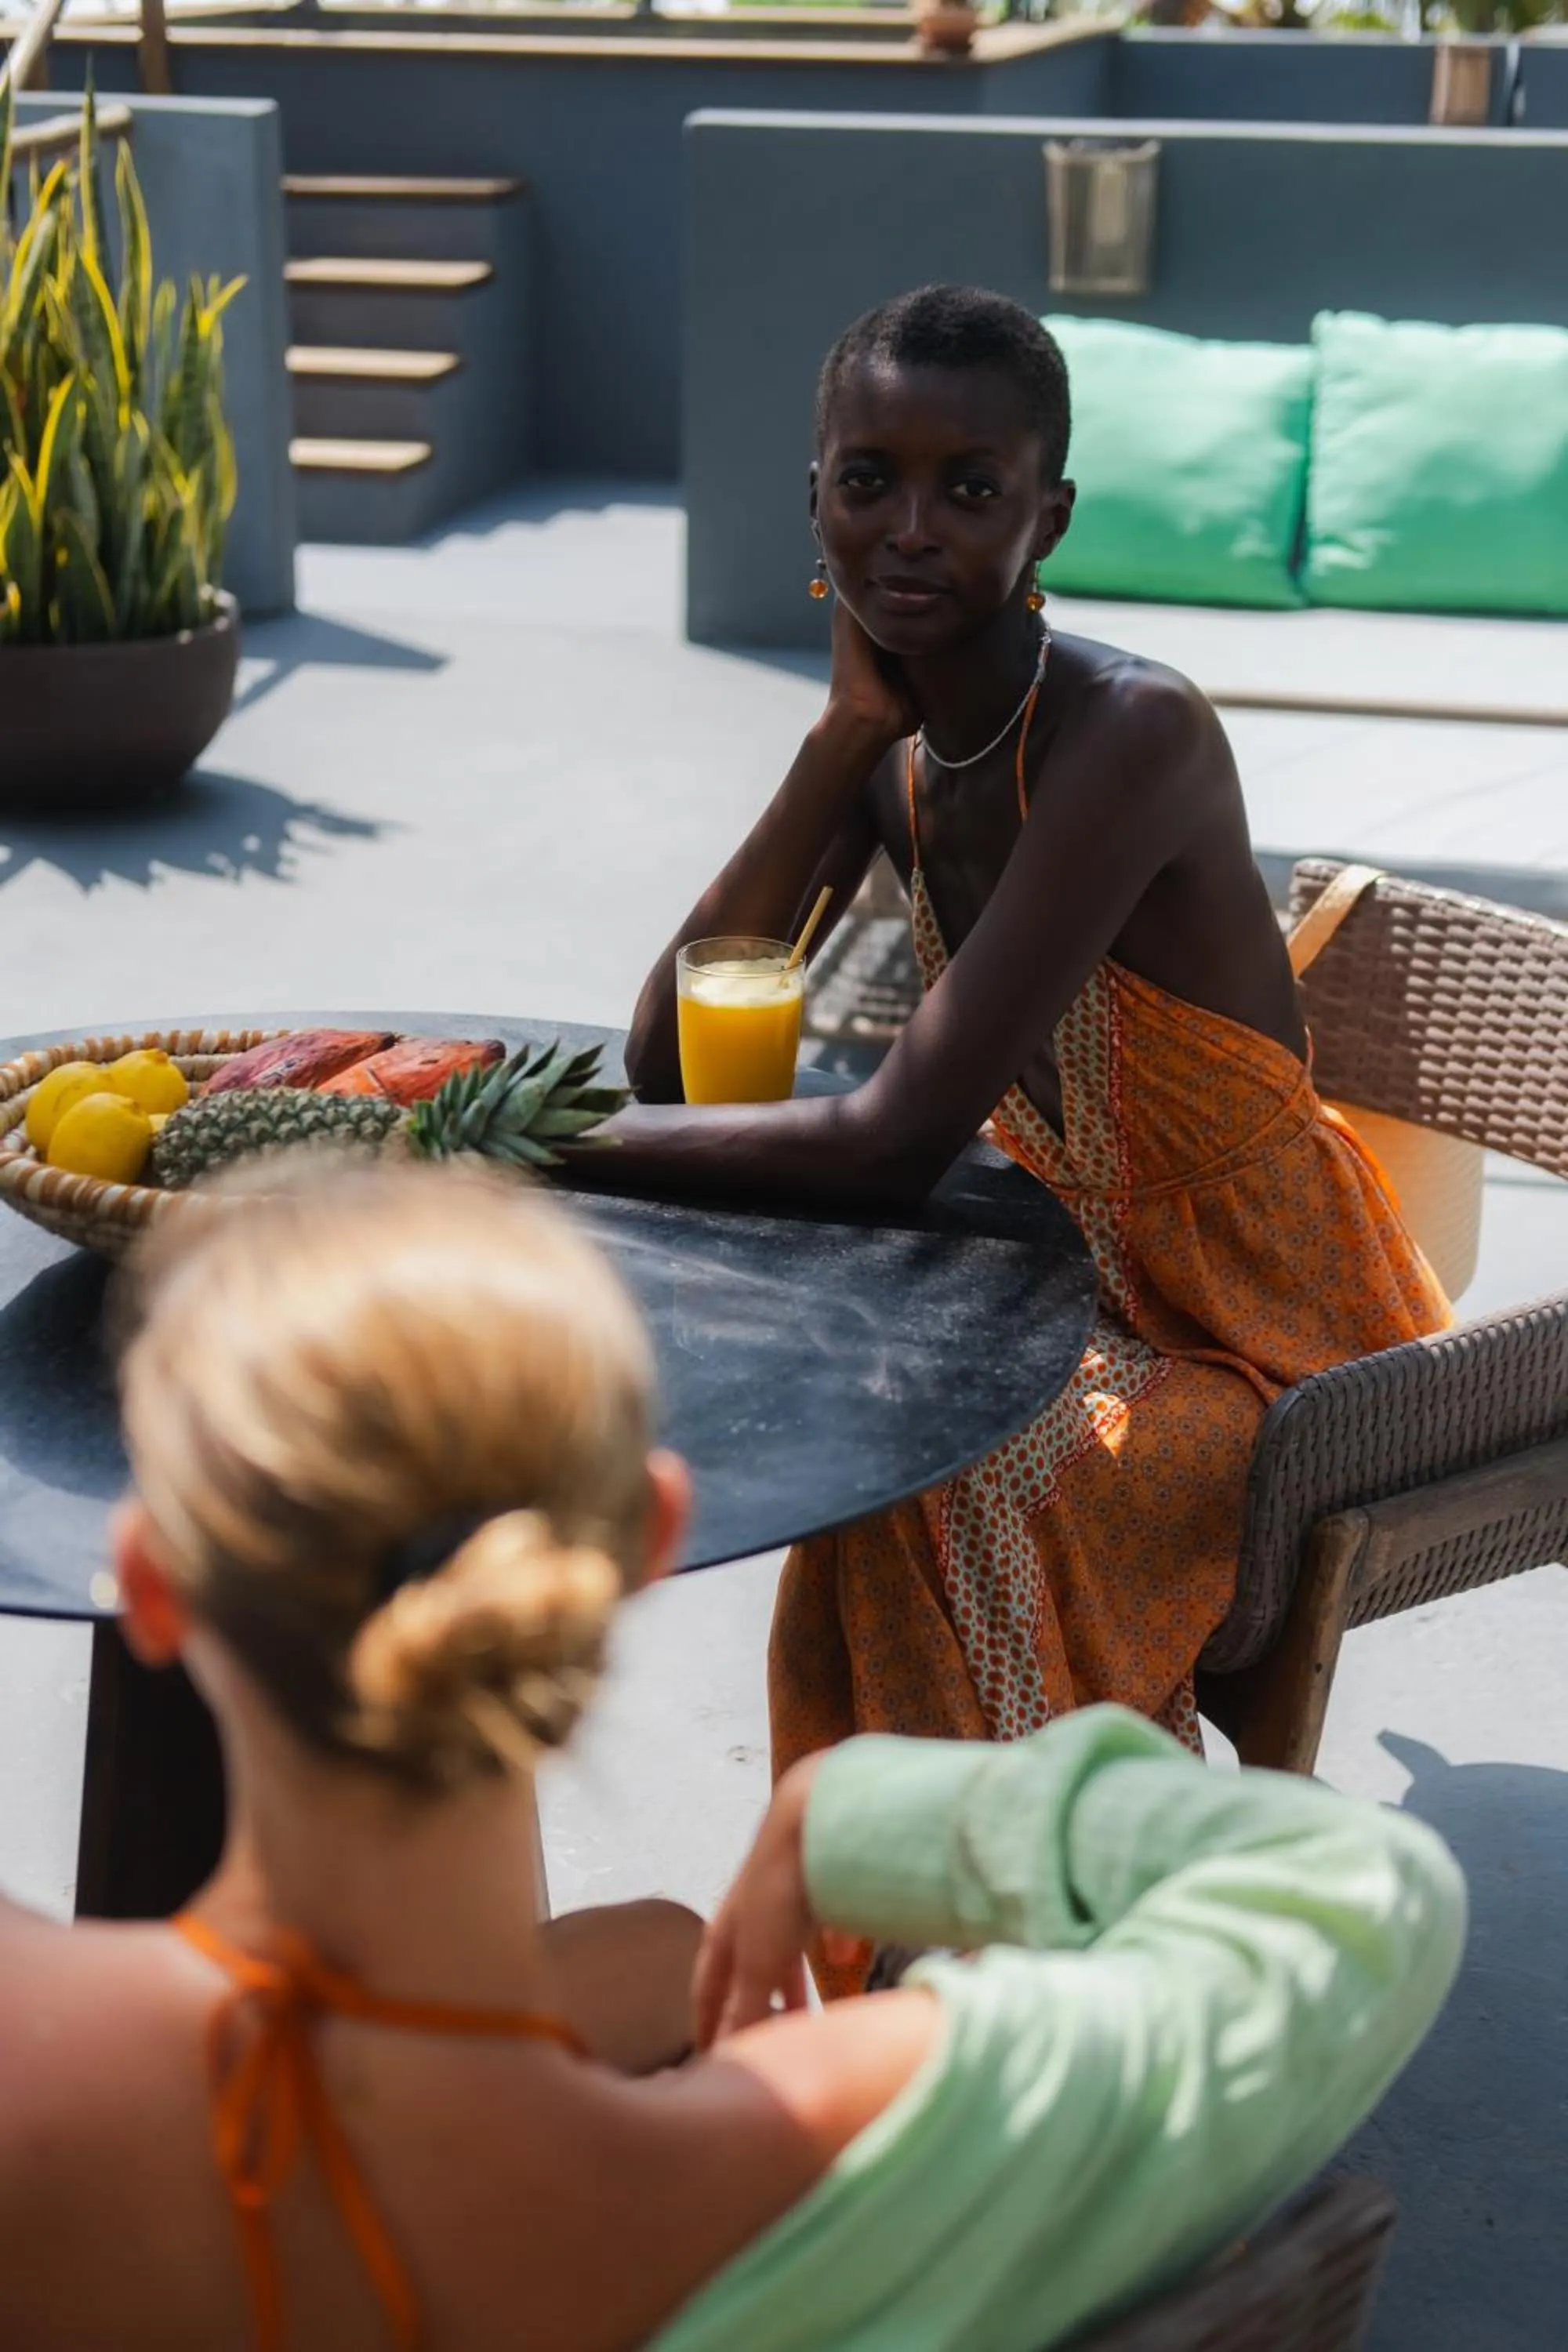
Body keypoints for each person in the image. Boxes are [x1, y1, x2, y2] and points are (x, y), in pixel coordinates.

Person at [0, 1161, 1463, 2352]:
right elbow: (1368, 1892)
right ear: (638, 1543)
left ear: (146, 1579)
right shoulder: (811, 2150)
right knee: (648, 1956)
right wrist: (863, 1806)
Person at [594, 286, 1449, 1986]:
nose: (909, 529)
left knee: (968, 1469)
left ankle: (1031, 1957)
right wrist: (840, 736)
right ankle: (899, 1947)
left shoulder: (1130, 736)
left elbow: (888, 1142)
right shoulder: (895, 743)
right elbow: (667, 1056)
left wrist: (548, 1153)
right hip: (1071, 1288)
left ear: (1047, 517)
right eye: (868, 479)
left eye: (968, 489)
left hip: (1273, 1333)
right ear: (815, 495)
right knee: (871, 1418)